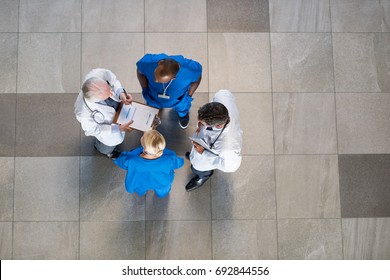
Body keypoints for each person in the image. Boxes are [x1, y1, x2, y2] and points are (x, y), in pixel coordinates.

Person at [185, 89, 243, 192]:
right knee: (194, 157)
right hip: (202, 145)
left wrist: (203, 153)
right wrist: (200, 125)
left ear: (219, 125)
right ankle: (194, 156)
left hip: (206, 159)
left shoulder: (229, 148)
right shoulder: (222, 97)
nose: (199, 123)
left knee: (198, 168)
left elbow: (230, 167)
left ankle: (203, 176)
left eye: (203, 123)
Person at [74, 68, 133, 159]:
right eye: (108, 95)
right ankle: (106, 151)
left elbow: (113, 80)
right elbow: (93, 130)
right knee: (107, 146)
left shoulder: (96, 74)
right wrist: (118, 128)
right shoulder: (83, 113)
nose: (111, 93)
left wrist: (121, 94)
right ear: (98, 100)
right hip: (108, 131)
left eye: (109, 88)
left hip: (118, 112)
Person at [136, 53, 202, 129]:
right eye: (155, 76)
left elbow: (197, 78)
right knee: (152, 108)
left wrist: (189, 96)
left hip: (179, 100)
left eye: (161, 81)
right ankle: (153, 113)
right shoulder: (147, 62)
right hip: (153, 97)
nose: (156, 81)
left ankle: (182, 115)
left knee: (182, 108)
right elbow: (139, 71)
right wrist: (144, 88)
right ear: (159, 63)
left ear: (173, 78)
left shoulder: (191, 69)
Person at [114, 130, 184, 198]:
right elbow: (180, 162)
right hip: (161, 182)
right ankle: (161, 195)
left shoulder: (132, 161)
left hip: (141, 182)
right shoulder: (169, 159)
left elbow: (120, 161)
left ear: (144, 147)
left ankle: (142, 192)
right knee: (163, 190)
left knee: (140, 188)